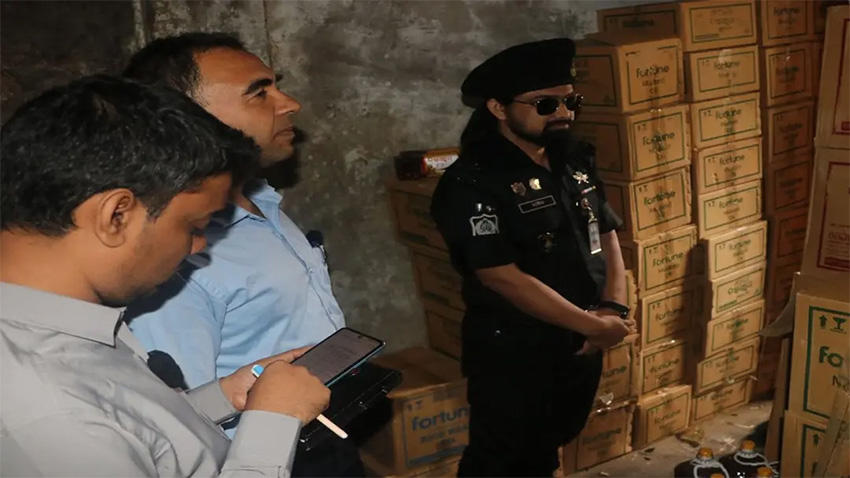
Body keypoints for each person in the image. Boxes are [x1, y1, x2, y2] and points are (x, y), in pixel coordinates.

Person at [0, 75, 331, 477]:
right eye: (194, 226)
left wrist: (222, 397)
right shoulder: (49, 414)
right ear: (116, 216)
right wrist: (272, 425)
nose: (198, 247)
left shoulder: (64, 324)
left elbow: (132, 433)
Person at [121, 33, 359, 476]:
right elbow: (181, 425)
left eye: (277, 86)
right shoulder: (173, 258)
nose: (290, 104)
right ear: (186, 117)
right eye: (259, 93)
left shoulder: (261, 200)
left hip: (319, 432)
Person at [429, 38, 636, 477]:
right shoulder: (472, 183)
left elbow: (606, 232)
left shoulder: (574, 160)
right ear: (498, 108)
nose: (564, 114)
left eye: (570, 102)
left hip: (581, 339)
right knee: (501, 460)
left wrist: (613, 309)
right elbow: (500, 275)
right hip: (517, 350)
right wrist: (593, 326)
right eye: (545, 104)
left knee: (551, 442)